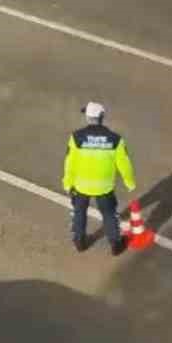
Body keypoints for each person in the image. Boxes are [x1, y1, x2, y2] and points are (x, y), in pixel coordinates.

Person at [63, 101, 137, 255]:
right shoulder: (115, 139)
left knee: (79, 213)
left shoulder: (76, 138)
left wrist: (67, 183)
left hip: (81, 185)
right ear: (102, 117)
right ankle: (116, 244)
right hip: (104, 187)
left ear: (88, 117)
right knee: (109, 214)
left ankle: (80, 242)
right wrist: (129, 182)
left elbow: (69, 163)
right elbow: (124, 164)